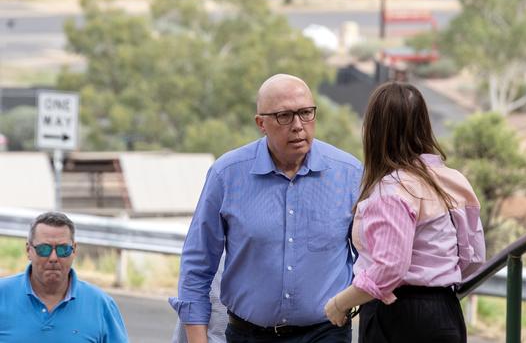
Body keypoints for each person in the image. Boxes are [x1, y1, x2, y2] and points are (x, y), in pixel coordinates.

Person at [169, 73, 362, 343]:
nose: (298, 125)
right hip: (248, 334)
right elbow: (197, 264)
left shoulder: (349, 174)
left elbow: (371, 259)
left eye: (306, 113)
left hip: (325, 333)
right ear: (261, 123)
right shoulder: (227, 175)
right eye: (285, 116)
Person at [324, 81, 486, 343]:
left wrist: (339, 303)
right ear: (424, 124)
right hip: (446, 312)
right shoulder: (453, 180)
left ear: (375, 130)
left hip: (398, 317)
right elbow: (475, 256)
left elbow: (389, 269)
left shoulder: (391, 190)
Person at [0, 212, 129, 342]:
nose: (53, 258)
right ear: (28, 250)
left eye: (63, 249)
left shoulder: (101, 305)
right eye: (44, 249)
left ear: (74, 250)